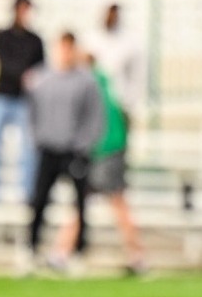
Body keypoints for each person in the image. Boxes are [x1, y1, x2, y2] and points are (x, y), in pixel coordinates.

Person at [58, 51, 145, 275]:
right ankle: (62, 250)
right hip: (109, 149)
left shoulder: (90, 85)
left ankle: (136, 255)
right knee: (99, 203)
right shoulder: (105, 84)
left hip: (103, 151)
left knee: (113, 203)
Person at [23, 33, 103, 273]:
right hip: (49, 148)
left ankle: (78, 252)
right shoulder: (42, 78)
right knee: (39, 200)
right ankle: (31, 248)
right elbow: (32, 112)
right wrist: (37, 138)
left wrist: (85, 144)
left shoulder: (86, 81)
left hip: (74, 150)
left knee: (79, 204)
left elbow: (95, 116)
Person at [0, 0, 44, 204]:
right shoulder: (4, 36)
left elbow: (40, 69)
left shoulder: (35, 40)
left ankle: (27, 192)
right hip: (3, 97)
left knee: (28, 149)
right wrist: (23, 76)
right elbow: (6, 64)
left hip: (24, 100)